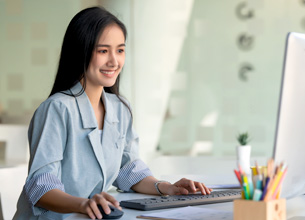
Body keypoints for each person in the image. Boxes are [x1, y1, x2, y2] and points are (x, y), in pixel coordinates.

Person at [13, 6, 211, 220]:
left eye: (120, 50)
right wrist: (84, 204)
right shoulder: (57, 109)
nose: (114, 61)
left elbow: (128, 170)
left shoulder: (119, 108)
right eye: (103, 51)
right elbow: (41, 186)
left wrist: (167, 188)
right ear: (81, 51)